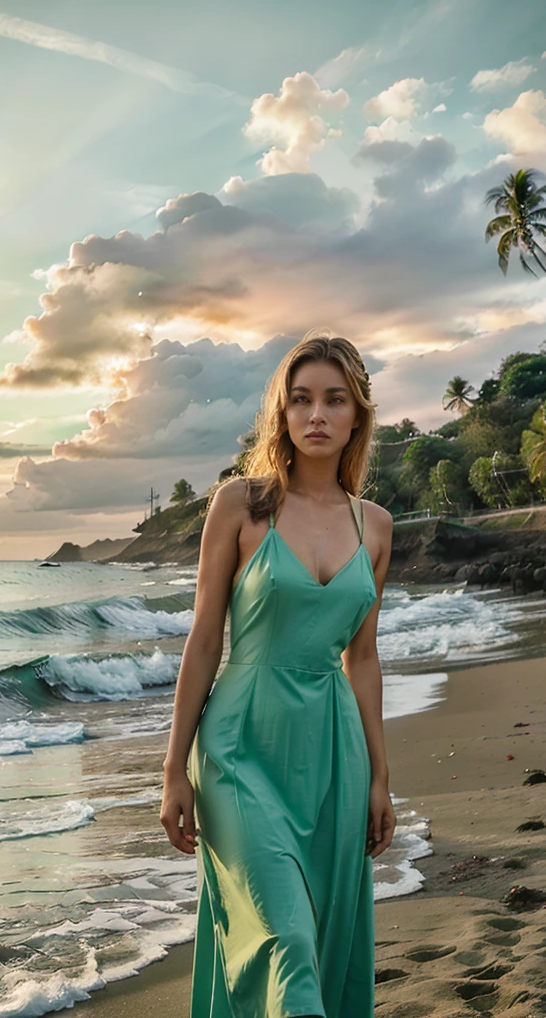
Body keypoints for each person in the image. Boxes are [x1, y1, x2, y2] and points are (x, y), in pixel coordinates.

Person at [160, 331, 396, 1018]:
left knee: (319, 940)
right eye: (300, 400)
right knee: (285, 939)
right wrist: (174, 767)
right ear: (282, 415)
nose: (316, 414)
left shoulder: (375, 527)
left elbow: (363, 657)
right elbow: (205, 640)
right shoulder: (242, 504)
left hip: (333, 753)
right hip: (239, 747)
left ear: (357, 415)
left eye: (334, 400)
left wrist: (381, 778)